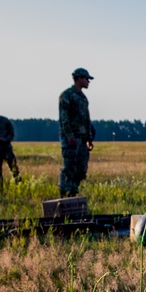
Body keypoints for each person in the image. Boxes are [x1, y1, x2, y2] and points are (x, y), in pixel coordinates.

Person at [58, 67, 95, 197]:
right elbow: (64, 119)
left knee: (81, 168)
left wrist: (89, 138)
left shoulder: (83, 98)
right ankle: (64, 192)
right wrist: (69, 136)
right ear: (79, 78)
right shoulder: (67, 95)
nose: (88, 82)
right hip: (71, 139)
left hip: (82, 139)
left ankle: (73, 191)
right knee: (70, 166)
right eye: (86, 79)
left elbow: (86, 119)